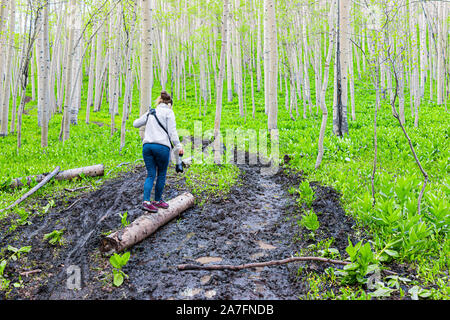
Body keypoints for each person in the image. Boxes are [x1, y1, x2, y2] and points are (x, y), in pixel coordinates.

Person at [133, 91, 184, 213]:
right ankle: (157, 200)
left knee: (150, 174)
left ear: (159, 102)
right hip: (162, 147)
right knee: (161, 174)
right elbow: (172, 132)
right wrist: (178, 145)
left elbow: (135, 124)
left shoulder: (152, 112)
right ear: (170, 104)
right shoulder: (169, 112)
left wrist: (148, 117)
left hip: (147, 147)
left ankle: (146, 202)